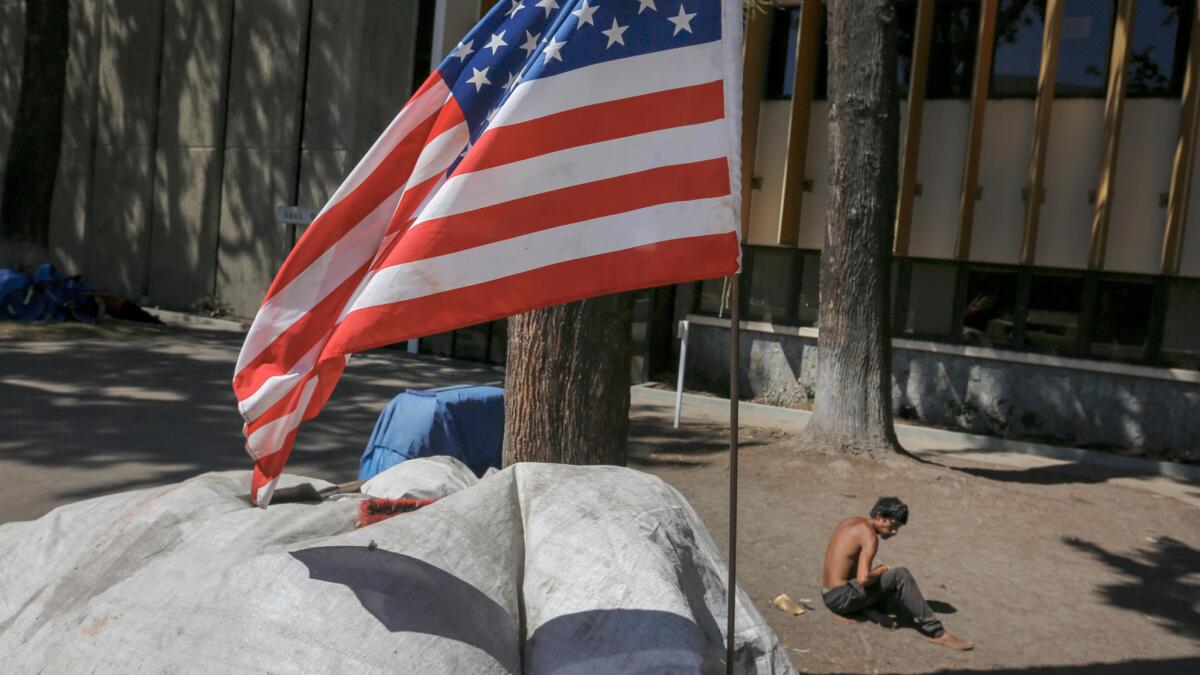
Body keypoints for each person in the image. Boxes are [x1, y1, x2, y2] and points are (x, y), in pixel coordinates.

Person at [821, 497, 973, 651]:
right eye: (892, 526)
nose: (894, 532)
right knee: (900, 575)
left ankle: (867, 610)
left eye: (897, 528)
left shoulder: (851, 522)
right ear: (880, 516)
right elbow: (863, 580)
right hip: (840, 599)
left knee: (892, 591)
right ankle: (938, 633)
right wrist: (881, 568)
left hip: (827, 593)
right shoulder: (869, 537)